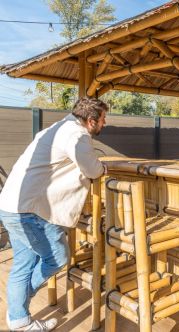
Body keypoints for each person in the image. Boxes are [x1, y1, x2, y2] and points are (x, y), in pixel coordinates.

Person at [0, 97, 108, 331]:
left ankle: (19, 317)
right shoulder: (76, 135)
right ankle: (20, 308)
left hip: (11, 206)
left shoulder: (56, 129)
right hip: (29, 211)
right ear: (91, 121)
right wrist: (104, 168)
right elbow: (93, 169)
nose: (104, 123)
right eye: (102, 119)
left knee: (23, 264)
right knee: (57, 257)